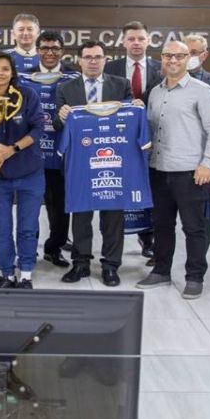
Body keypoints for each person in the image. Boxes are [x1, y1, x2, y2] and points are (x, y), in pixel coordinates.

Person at [135, 41, 210, 299]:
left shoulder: (202, 91)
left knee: (194, 227)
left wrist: (208, 164)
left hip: (191, 172)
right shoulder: (155, 92)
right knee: (161, 225)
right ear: (161, 59)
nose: (173, 60)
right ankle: (161, 271)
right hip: (159, 169)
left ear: (188, 59)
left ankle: (195, 276)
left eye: (179, 56)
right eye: (167, 56)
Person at [55, 41, 135, 286]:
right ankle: (81, 263)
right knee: (81, 215)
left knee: (113, 216)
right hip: (80, 163)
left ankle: (111, 265)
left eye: (97, 57)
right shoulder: (66, 88)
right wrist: (61, 116)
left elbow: (131, 119)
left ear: (105, 60)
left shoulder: (121, 85)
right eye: (87, 57)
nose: (92, 61)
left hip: (112, 161)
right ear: (79, 60)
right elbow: (59, 127)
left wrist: (136, 107)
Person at [0, 52, 47, 288]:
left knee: (27, 227)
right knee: (1, 229)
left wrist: (12, 149)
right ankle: (6, 273)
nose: (1, 73)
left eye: (6, 68)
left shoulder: (28, 95)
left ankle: (25, 274)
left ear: (13, 73)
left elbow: (38, 129)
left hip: (29, 172)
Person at [104, 21, 161, 256]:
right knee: (119, 187)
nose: (136, 43)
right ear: (123, 42)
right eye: (131, 39)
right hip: (118, 138)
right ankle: (113, 242)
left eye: (140, 38)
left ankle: (148, 239)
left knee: (150, 188)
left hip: (154, 138)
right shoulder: (110, 68)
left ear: (148, 41)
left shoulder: (161, 68)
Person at [30, 30, 78, 268]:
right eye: (45, 48)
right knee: (28, 207)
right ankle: (29, 250)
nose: (49, 53)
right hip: (29, 153)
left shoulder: (74, 78)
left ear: (62, 51)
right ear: (37, 50)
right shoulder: (23, 77)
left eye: (55, 48)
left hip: (62, 153)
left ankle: (54, 247)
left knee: (59, 207)